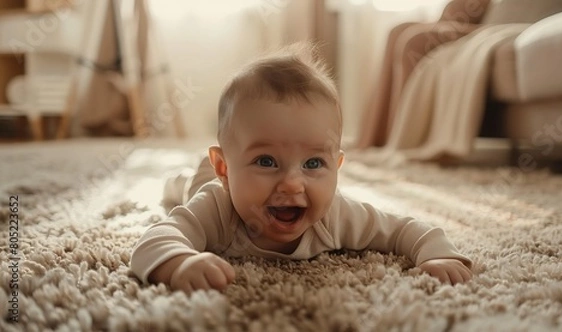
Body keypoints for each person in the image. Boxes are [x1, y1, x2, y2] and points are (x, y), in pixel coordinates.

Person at [130, 44, 473, 294]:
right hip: (210, 181)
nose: (292, 184)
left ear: (337, 168)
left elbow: (407, 231)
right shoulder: (216, 208)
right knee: (189, 186)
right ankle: (183, 179)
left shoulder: (337, 216)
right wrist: (179, 263)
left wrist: (437, 255)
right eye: (266, 161)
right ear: (226, 166)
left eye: (313, 163)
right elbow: (155, 240)